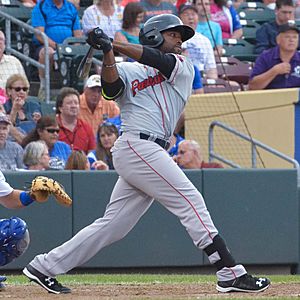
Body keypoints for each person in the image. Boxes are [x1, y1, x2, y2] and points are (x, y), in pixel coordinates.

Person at [22, 14, 270, 294]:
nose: (179, 40)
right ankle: (229, 272)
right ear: (153, 35)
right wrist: (107, 52)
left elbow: (158, 60)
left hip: (149, 150)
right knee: (190, 200)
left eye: (180, 36)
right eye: (174, 34)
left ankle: (43, 266)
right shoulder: (127, 69)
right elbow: (111, 87)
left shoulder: (182, 66)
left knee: (113, 226)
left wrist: (115, 45)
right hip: (137, 146)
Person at [31, 0, 82, 99]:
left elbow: (78, 35)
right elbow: (40, 35)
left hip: (68, 46)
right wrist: (58, 47)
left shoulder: (71, 8)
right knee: (47, 52)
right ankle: (43, 87)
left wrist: (74, 48)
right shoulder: (41, 6)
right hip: (46, 46)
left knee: (83, 54)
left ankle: (82, 90)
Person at [249, 22, 300, 90]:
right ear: (278, 40)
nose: (291, 40)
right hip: (270, 98)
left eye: (295, 37)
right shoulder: (265, 57)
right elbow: (253, 86)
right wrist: (274, 71)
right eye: (287, 36)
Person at [179, 4, 218, 79]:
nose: (191, 18)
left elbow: (211, 69)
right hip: (182, 77)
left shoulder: (205, 40)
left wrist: (212, 84)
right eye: (186, 14)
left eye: (193, 14)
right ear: (180, 18)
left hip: (202, 77)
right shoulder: (176, 38)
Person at [56, 87, 96, 154]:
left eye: (76, 103)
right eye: (69, 103)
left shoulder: (86, 128)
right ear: (60, 108)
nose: (73, 106)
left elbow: (91, 154)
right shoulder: (52, 128)